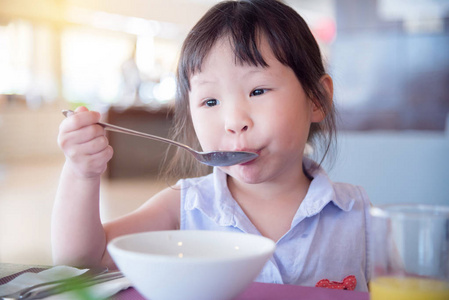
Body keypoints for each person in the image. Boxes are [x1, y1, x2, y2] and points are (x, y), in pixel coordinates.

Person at [52, 0, 370, 292]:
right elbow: (82, 262)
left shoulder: (359, 216)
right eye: (210, 100)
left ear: (316, 98)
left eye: (258, 90)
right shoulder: (186, 207)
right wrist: (81, 174)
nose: (233, 120)